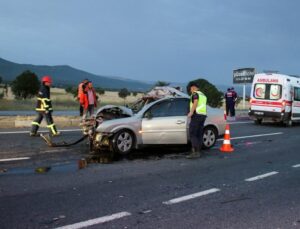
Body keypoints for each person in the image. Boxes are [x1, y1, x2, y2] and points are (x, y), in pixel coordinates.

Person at [186, 82, 207, 159]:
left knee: (192, 133)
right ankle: (198, 151)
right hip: (203, 116)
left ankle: (195, 152)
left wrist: (191, 112)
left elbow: (195, 102)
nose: (190, 91)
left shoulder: (195, 94)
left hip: (196, 115)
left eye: (190, 89)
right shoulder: (203, 95)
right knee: (199, 134)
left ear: (193, 88)